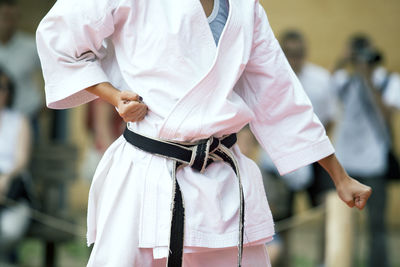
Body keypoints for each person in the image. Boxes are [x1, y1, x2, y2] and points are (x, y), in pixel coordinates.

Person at [36, 0, 372, 266]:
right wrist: (113, 94)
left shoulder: (244, 7)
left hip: (223, 179)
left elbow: (279, 93)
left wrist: (338, 176)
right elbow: (59, 37)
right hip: (149, 173)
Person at [259, 29, 337, 266]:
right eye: (290, 53)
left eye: (299, 53)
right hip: (277, 159)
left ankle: (325, 260)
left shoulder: (321, 79)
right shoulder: (267, 77)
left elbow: (330, 118)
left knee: (328, 211)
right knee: (281, 222)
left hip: (314, 157)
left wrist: (314, 146)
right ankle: (285, 262)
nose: (295, 58)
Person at [332, 34, 400, 267]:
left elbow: (386, 115)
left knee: (376, 225)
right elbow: (330, 90)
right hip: (345, 164)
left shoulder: (387, 80)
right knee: (339, 222)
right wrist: (345, 60)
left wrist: (369, 79)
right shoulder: (345, 79)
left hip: (374, 164)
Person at [0, 68, 32, 264]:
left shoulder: (19, 121)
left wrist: (5, 179)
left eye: (3, 87)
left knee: (10, 231)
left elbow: (21, 161)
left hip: (12, 189)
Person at [0, 0, 44, 140]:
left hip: (27, 117)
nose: (9, 22)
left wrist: (45, 104)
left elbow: (57, 72)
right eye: (5, 17)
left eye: (13, 17)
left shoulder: (31, 46)